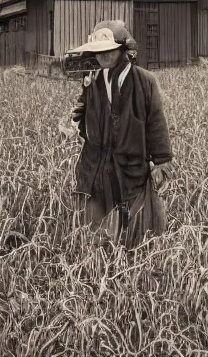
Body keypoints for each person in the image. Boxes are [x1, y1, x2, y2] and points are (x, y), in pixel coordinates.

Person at [68, 20, 174, 250]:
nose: (103, 57)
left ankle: (129, 254)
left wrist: (161, 161)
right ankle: (98, 260)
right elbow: (85, 117)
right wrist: (80, 118)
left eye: (109, 50)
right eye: (98, 52)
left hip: (129, 164)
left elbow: (156, 122)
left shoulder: (145, 81)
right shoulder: (93, 80)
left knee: (131, 221)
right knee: (94, 222)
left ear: (123, 50)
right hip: (96, 163)